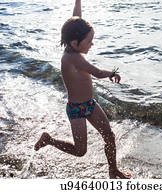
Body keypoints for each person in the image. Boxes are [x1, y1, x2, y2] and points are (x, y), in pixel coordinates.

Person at [34, 0, 131, 179]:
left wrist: (78, 1)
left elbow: (76, 19)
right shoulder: (74, 59)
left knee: (109, 136)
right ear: (74, 42)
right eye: (89, 41)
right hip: (76, 110)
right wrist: (113, 72)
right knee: (80, 151)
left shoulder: (73, 47)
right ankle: (49, 140)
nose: (92, 44)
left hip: (90, 105)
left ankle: (113, 170)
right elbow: (97, 72)